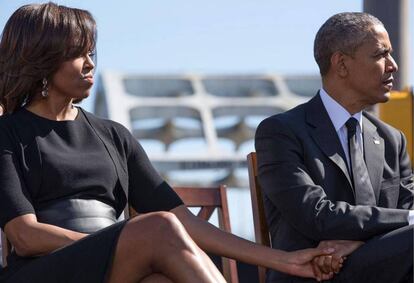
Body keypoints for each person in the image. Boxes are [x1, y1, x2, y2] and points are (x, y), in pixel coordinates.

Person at [0, 3, 339, 283]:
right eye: (76, 54)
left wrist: (285, 260)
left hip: (115, 265)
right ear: (42, 59)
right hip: (43, 271)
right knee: (157, 226)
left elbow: (185, 222)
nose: (90, 64)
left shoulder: (113, 135)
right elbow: (25, 237)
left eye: (91, 52)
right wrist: (121, 242)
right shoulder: (7, 133)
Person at [255, 12, 414, 283]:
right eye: (380, 55)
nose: (393, 66)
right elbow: (316, 216)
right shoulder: (281, 132)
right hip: (314, 275)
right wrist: (407, 219)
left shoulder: (391, 140)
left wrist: (360, 245)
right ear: (341, 64)